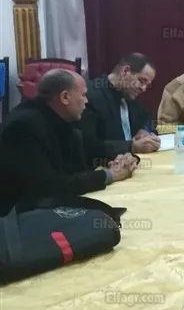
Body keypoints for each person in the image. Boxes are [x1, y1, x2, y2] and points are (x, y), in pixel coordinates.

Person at [0, 69, 137, 216]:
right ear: (65, 97)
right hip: (20, 217)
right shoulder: (23, 127)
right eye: (83, 95)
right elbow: (47, 187)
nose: (86, 101)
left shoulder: (61, 116)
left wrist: (120, 160)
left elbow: (90, 151)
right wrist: (109, 175)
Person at [82, 53, 160, 166]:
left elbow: (147, 117)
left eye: (147, 85)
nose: (143, 89)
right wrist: (131, 147)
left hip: (132, 163)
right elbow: (89, 146)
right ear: (125, 71)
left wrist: (144, 130)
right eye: (142, 81)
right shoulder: (91, 97)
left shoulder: (128, 94)